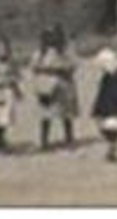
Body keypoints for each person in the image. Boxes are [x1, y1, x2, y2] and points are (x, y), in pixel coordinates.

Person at [31, 23, 80, 151]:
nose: (51, 40)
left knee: (66, 113)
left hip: (64, 85)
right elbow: (34, 66)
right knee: (46, 114)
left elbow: (73, 65)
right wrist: (44, 69)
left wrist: (63, 68)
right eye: (48, 37)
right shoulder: (40, 53)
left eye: (54, 37)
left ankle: (69, 138)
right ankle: (44, 140)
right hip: (47, 87)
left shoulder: (66, 52)